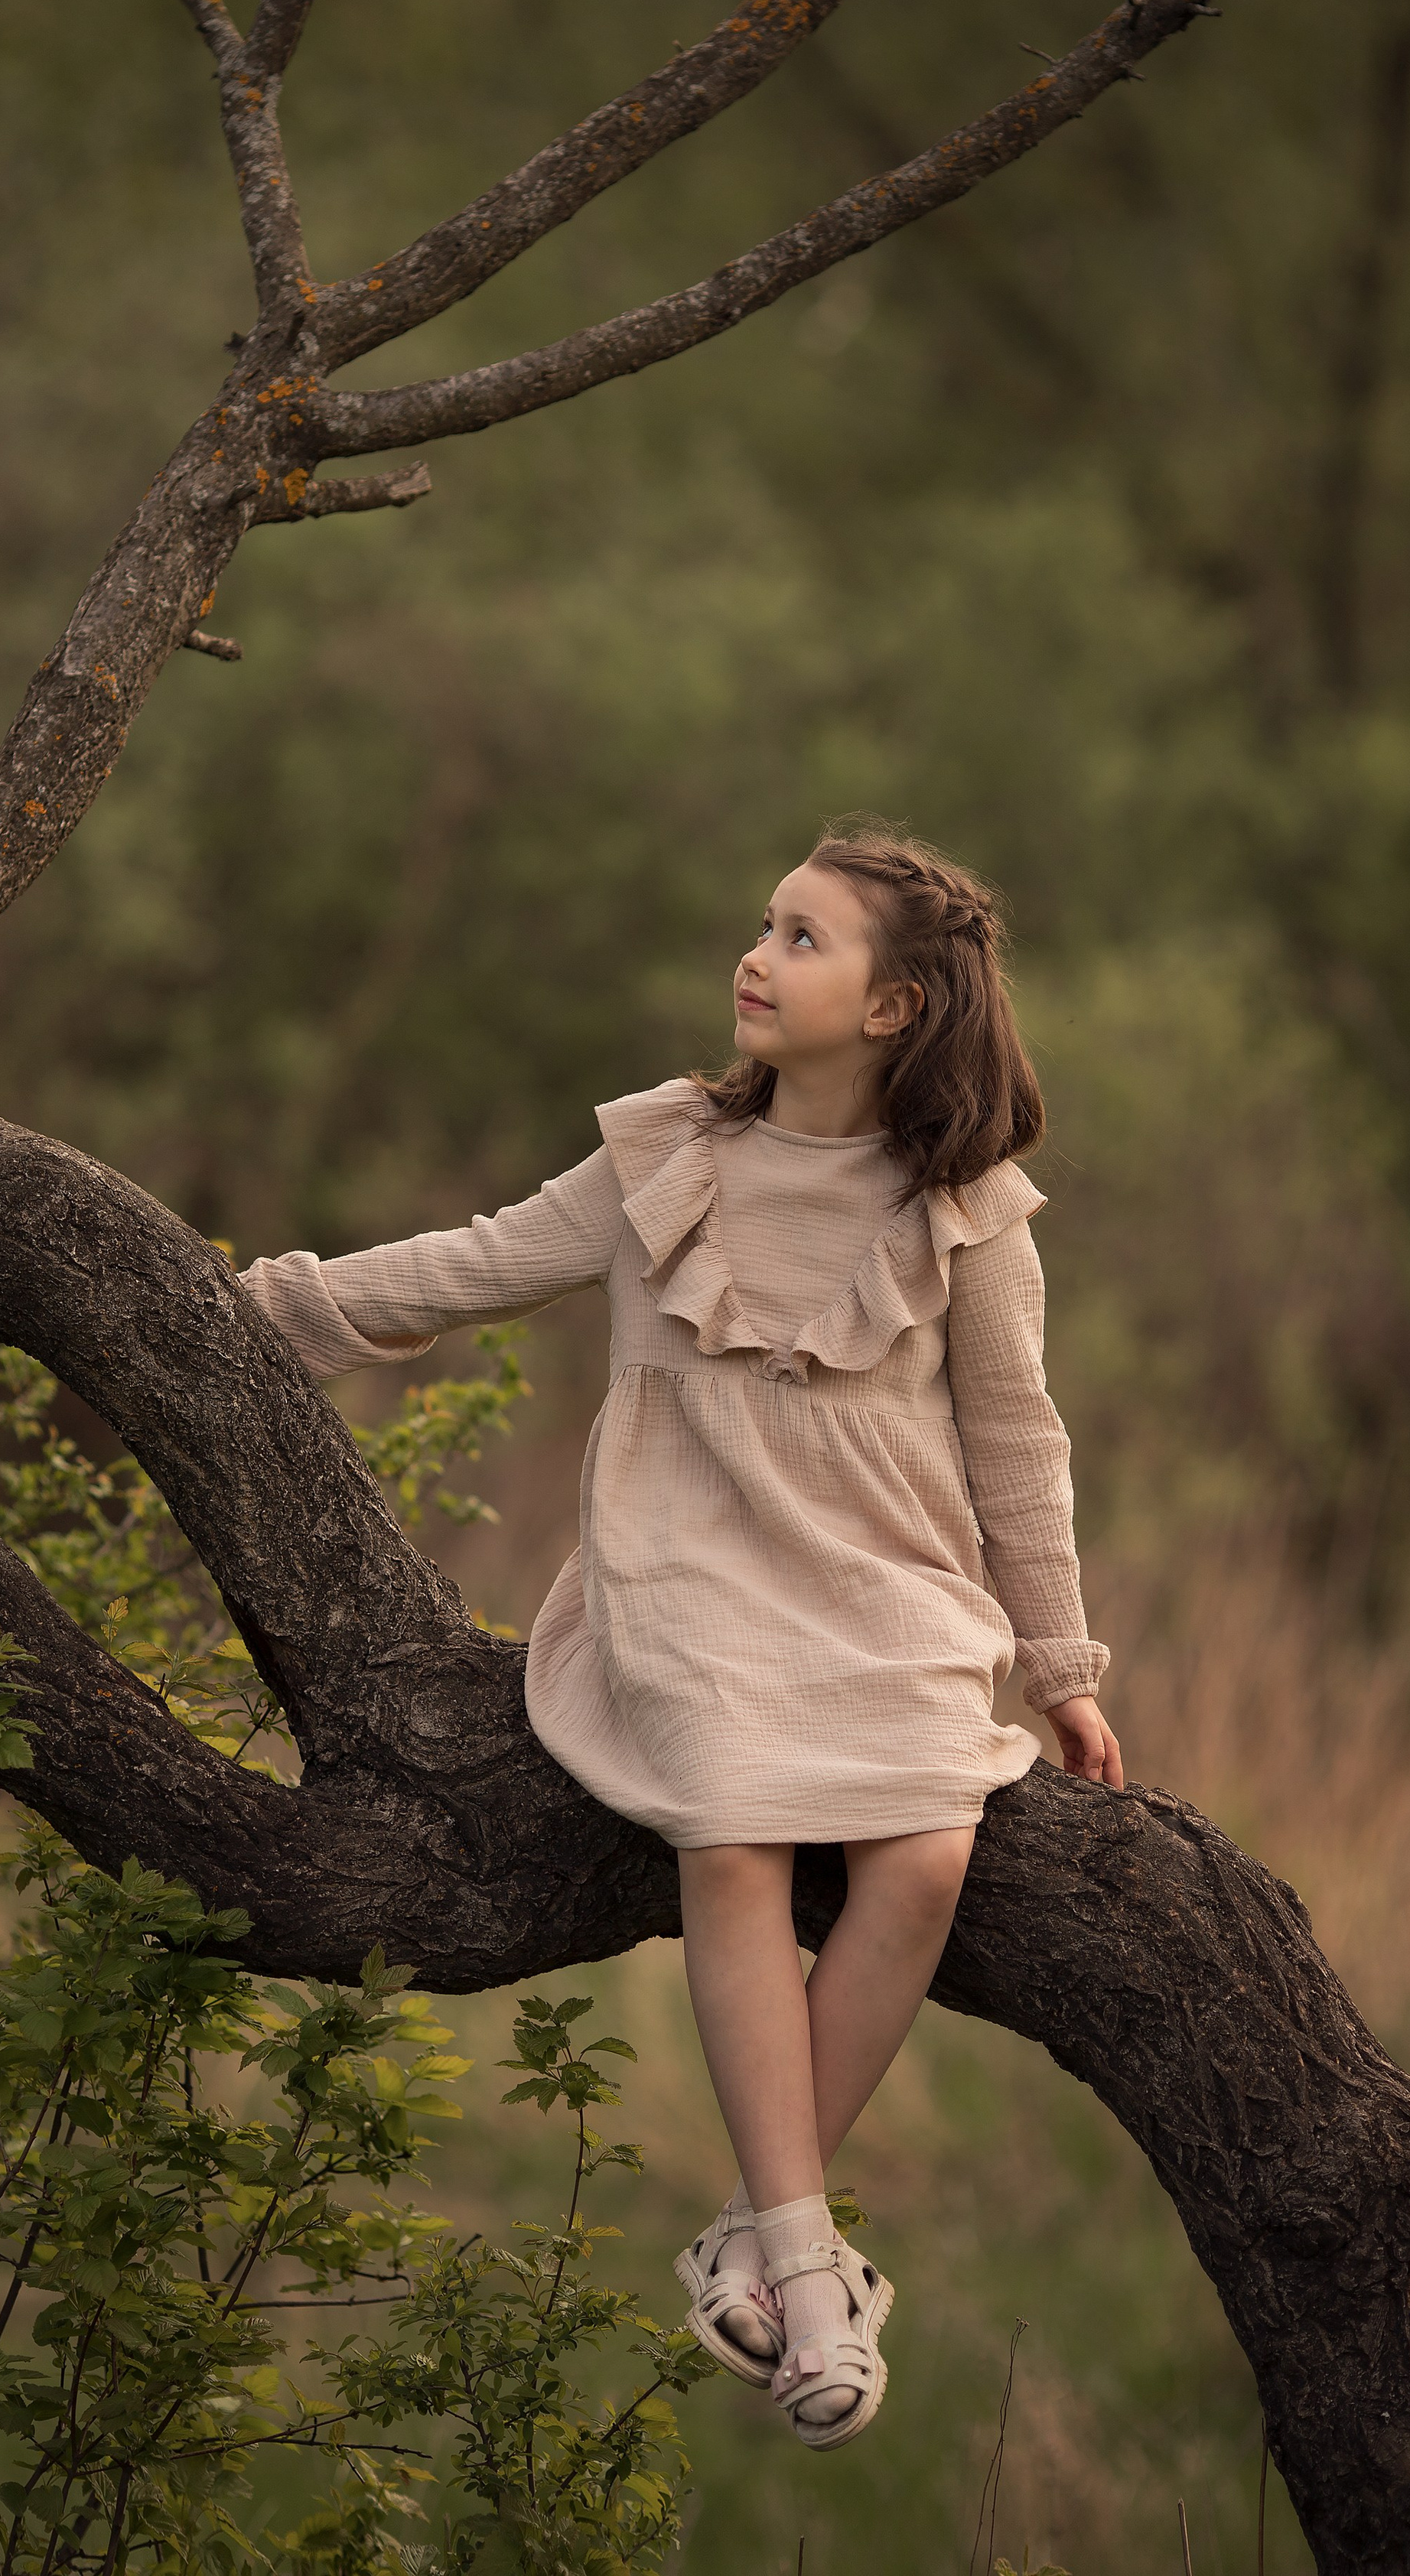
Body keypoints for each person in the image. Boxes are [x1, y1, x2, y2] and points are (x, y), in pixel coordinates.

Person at [240, 819, 1122, 2454]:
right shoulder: (666, 1155)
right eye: (763, 924)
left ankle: (744, 2223)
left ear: (895, 1010)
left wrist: (1058, 1667)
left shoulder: (968, 1214)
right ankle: (804, 2258)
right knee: (732, 1829)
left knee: (925, 1851)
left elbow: (1017, 1446)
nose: (755, 954)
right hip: (690, 1580)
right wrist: (241, 1305)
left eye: (801, 938)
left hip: (886, 1584)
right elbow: (471, 1267)